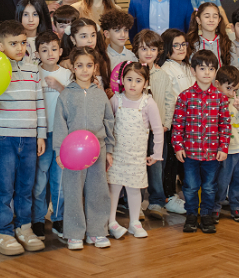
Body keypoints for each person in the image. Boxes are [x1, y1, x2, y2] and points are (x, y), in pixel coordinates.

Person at [0, 20, 46, 256]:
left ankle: (24, 227)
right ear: (0, 45)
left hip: (29, 138)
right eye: (13, 43)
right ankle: (3, 232)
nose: (20, 48)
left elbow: (40, 104)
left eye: (22, 42)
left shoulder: (32, 70)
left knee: (25, 186)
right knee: (4, 187)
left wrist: (41, 134)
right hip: (5, 137)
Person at [53, 47, 115, 250]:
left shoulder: (100, 95)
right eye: (80, 66)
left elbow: (109, 121)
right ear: (73, 67)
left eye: (89, 66)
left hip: (98, 150)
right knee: (73, 191)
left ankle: (97, 231)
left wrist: (110, 150)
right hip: (72, 154)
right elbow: (60, 124)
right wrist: (59, 151)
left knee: (98, 190)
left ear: (95, 67)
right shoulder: (66, 95)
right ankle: (74, 233)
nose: (84, 70)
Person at [172, 50, 230, 234]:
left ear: (215, 72)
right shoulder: (185, 96)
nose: (207, 72)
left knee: (210, 186)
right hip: (190, 153)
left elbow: (225, 125)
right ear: (193, 71)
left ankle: (206, 215)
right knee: (190, 186)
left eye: (211, 69)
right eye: (202, 68)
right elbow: (178, 124)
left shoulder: (221, 98)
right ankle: (191, 215)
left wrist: (224, 147)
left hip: (212, 153)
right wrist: (178, 146)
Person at [107, 62, 163, 239]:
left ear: (145, 83)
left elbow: (158, 129)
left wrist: (157, 154)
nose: (133, 84)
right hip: (116, 155)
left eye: (138, 80)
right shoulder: (116, 100)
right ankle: (110, 221)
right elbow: (107, 124)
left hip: (136, 157)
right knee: (113, 188)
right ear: (122, 80)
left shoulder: (148, 103)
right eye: (129, 79)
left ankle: (134, 222)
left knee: (134, 189)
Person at [32, 31, 71, 240]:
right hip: (41, 134)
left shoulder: (66, 74)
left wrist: (59, 87)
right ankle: (38, 219)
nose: (50, 54)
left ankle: (58, 218)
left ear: (61, 51)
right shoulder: (33, 73)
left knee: (59, 179)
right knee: (40, 179)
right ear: (37, 53)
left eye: (54, 49)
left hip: (62, 135)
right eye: (44, 50)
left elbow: (73, 102)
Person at [132, 30, 174, 220]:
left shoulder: (162, 76)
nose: (148, 52)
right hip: (136, 130)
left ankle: (157, 201)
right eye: (144, 48)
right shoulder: (131, 73)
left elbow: (169, 100)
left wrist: (166, 123)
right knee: (137, 165)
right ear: (136, 50)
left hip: (157, 131)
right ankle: (137, 202)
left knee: (156, 165)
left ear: (159, 51)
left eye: (153, 49)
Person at [159, 28, 195, 214]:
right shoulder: (165, 69)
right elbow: (170, 99)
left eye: (184, 44)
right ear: (167, 48)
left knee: (184, 162)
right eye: (176, 45)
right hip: (175, 124)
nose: (181, 48)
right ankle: (169, 196)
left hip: (191, 124)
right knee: (171, 162)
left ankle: (185, 193)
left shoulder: (189, 67)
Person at [214, 65, 239, 222]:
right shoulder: (214, 101)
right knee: (221, 180)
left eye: (235, 89)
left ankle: (237, 206)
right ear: (217, 84)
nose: (232, 93)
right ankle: (215, 207)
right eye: (228, 88)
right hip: (225, 151)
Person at [59, 18, 111, 92]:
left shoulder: (102, 60)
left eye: (93, 35)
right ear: (73, 39)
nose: (90, 40)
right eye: (84, 36)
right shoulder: (67, 64)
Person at [188, 2, 232, 68]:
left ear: (219, 20)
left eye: (215, 17)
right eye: (207, 16)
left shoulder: (227, 43)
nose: (211, 20)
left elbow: (234, 71)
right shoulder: (192, 45)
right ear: (198, 20)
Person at [16, 0, 52, 64]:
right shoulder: (14, 41)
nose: (31, 19)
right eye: (26, 15)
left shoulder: (47, 40)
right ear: (19, 16)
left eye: (35, 14)